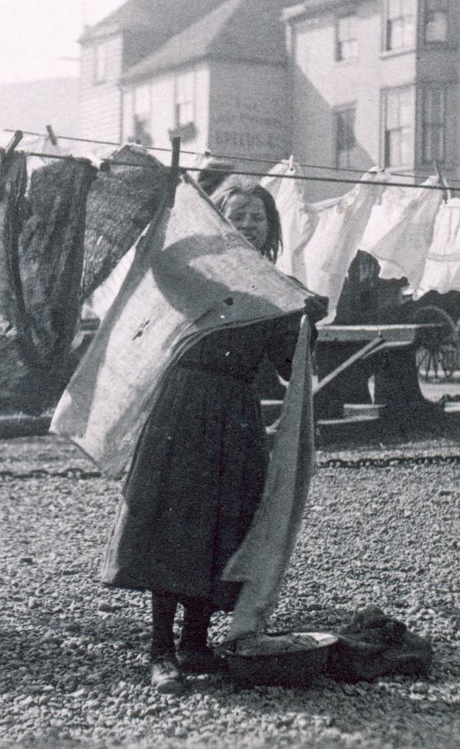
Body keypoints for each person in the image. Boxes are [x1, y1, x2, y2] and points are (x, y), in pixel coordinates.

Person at [100, 176, 323, 694]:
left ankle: (196, 643)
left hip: (236, 411)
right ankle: (161, 650)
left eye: (256, 216)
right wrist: (197, 222)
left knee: (223, 523)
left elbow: (290, 367)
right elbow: (159, 258)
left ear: (271, 228)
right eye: (236, 213)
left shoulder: (275, 288)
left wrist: (308, 323)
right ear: (217, 219)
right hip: (181, 407)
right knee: (171, 523)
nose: (247, 223)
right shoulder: (191, 274)